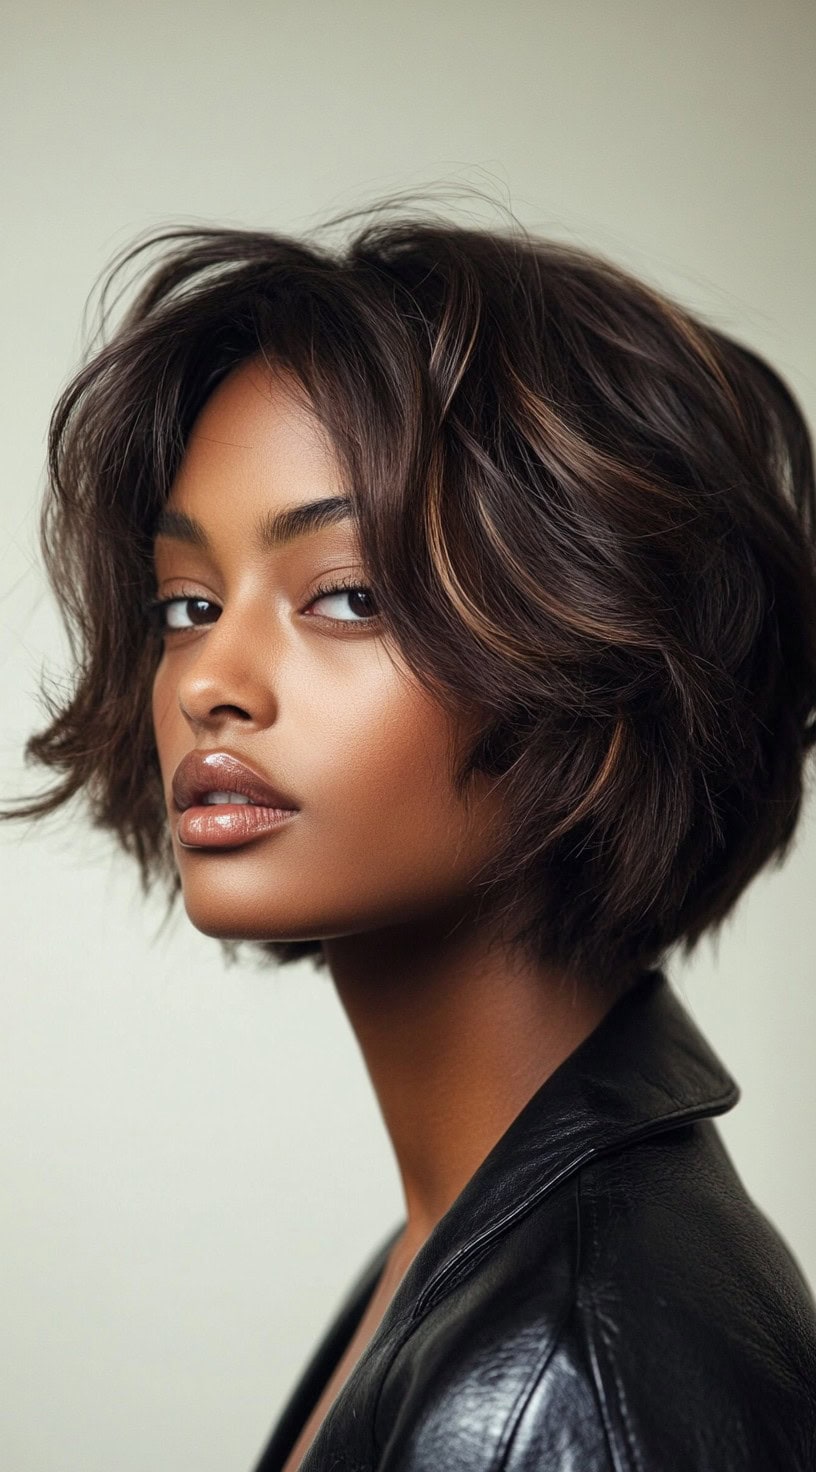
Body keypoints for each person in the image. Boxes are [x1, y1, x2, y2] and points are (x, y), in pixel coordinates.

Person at [4, 198, 816, 1470]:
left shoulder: (566, 1374)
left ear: (593, 658)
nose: (213, 674)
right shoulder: (470, 1241)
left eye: (345, 593)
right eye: (187, 600)